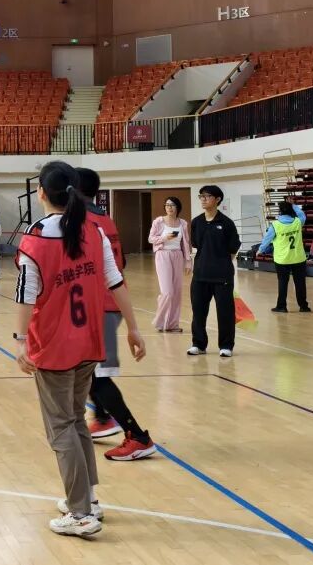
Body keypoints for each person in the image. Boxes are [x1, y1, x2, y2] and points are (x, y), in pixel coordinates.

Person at [14, 162, 144, 537]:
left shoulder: (36, 237)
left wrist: (20, 341)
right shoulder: (93, 230)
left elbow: (26, 295)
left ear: (41, 192)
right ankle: (88, 499)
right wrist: (133, 328)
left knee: (61, 427)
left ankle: (80, 512)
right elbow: (115, 281)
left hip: (54, 345)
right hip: (90, 339)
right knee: (75, 420)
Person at [75, 168, 156, 462]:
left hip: (102, 304)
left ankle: (137, 436)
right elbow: (120, 262)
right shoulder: (104, 218)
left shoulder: (83, 221)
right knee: (87, 371)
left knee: (97, 376)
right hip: (107, 301)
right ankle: (102, 417)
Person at [188, 185, 241, 358]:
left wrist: (220, 264)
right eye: (201, 196)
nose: (203, 199)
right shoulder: (196, 222)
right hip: (200, 275)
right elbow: (196, 244)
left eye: (207, 196)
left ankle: (226, 345)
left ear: (217, 199)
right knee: (198, 312)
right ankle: (198, 344)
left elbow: (233, 249)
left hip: (222, 276)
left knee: (225, 313)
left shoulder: (226, 223)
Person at [149, 197, 191, 332]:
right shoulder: (159, 221)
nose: (169, 207)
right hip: (163, 255)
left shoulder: (183, 223)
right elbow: (151, 238)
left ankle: (172, 325)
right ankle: (160, 322)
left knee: (177, 292)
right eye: (167, 205)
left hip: (177, 256)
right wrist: (163, 238)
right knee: (167, 292)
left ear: (177, 207)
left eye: (172, 205)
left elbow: (186, 243)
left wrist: (188, 262)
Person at [259, 201, 309, 314]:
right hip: (298, 258)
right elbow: (302, 214)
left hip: (282, 260)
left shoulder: (275, 225)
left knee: (282, 283)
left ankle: (281, 306)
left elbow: (267, 239)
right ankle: (303, 306)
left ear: (280, 211)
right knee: (300, 283)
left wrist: (260, 250)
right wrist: (294, 205)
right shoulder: (298, 222)